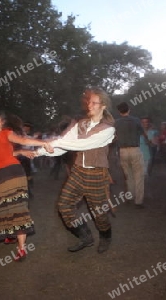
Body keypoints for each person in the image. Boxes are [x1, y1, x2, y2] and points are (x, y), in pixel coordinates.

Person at [36, 87, 115, 253]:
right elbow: (64, 142)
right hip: (78, 171)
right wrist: (38, 152)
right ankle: (85, 236)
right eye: (89, 102)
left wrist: (55, 143)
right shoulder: (80, 124)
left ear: (103, 106)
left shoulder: (108, 129)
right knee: (64, 205)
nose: (89, 105)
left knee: (98, 213)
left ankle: (105, 237)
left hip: (96, 173)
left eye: (94, 102)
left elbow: (81, 145)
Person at [0, 111, 52, 261]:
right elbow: (24, 140)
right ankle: (21, 249)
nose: (3, 123)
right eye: (0, 121)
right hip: (14, 173)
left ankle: (10, 235)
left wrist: (20, 152)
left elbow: (0, 155)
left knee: (4, 206)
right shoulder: (5, 133)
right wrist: (43, 142)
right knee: (18, 207)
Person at [114, 102, 144, 208]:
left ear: (119, 111)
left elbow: (114, 136)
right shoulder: (136, 120)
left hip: (122, 150)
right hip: (135, 149)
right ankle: (138, 201)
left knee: (128, 175)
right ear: (129, 109)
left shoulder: (116, 122)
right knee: (138, 176)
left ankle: (130, 196)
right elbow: (142, 132)